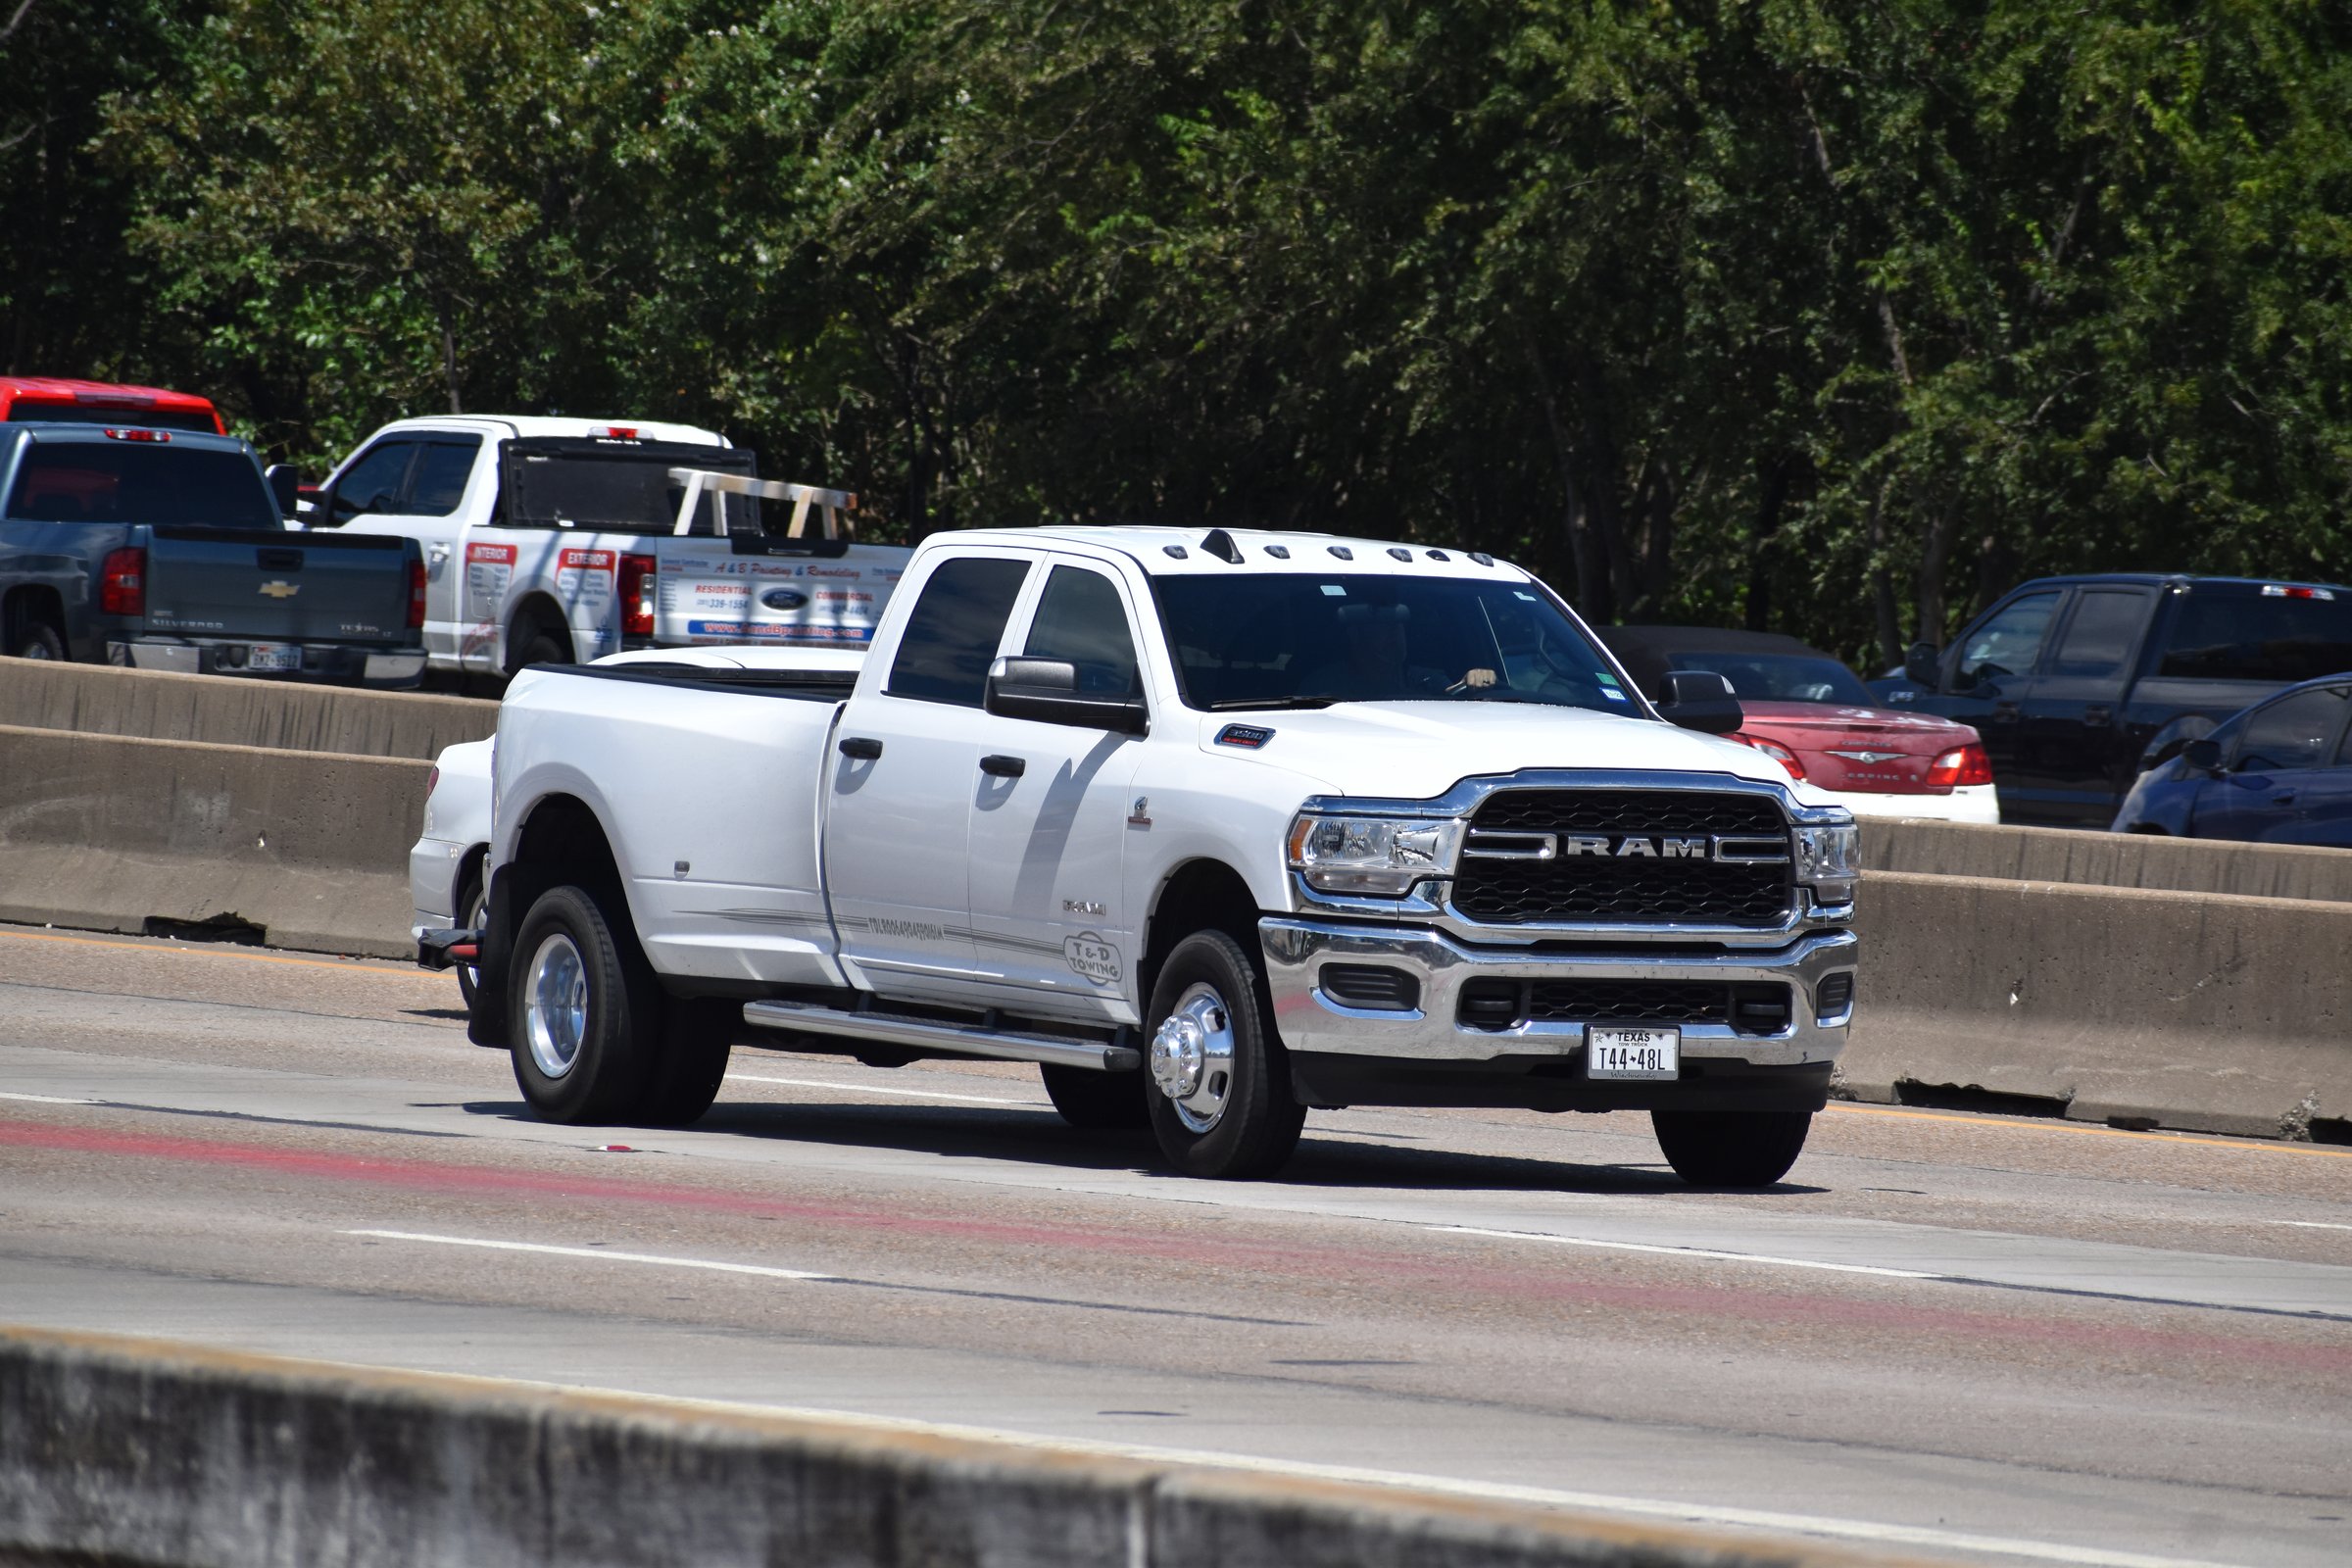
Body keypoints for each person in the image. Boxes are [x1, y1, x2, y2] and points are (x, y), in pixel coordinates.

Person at [1301, 601, 1494, 699]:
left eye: (1398, 630)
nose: (1394, 638)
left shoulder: (1423, 679)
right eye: (1384, 630)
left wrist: (1471, 680)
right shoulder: (1325, 683)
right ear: (1356, 635)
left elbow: (1448, 694)